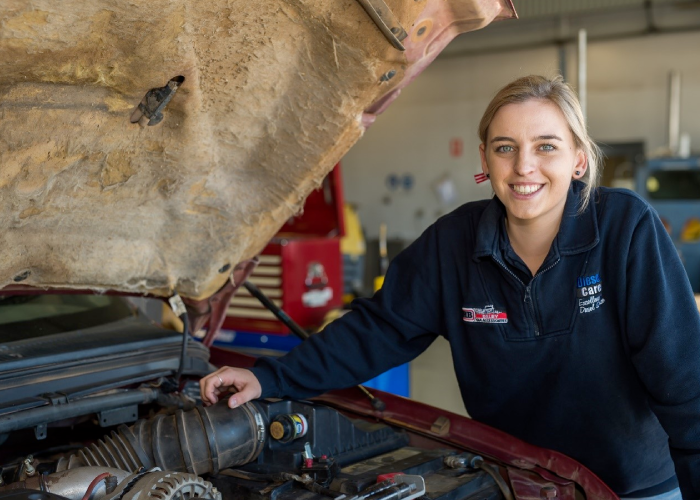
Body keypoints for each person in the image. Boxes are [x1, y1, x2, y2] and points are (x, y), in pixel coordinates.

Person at [200, 75, 700, 500]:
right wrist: (271, 379)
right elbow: (378, 329)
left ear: (578, 160)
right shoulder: (454, 243)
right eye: (506, 148)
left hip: (631, 487)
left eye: (546, 146)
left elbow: (684, 382)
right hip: (516, 483)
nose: (524, 166)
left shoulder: (625, 228)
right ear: (485, 158)